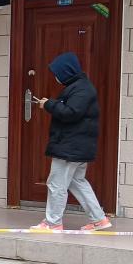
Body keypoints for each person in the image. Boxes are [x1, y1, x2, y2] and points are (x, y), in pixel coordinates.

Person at [32, 52, 111, 232]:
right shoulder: (80, 87)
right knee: (77, 181)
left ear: (66, 72)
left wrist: (49, 104)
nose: (56, 77)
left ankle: (53, 223)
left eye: (57, 73)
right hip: (76, 146)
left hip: (70, 147)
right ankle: (99, 219)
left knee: (56, 183)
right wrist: (51, 104)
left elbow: (71, 113)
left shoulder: (81, 89)